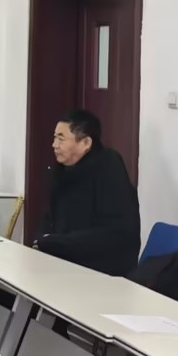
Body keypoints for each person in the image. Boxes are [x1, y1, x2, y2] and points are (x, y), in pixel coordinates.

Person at [34, 109, 140, 276]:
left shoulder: (108, 167)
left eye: (61, 139)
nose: (54, 145)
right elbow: (49, 219)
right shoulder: (62, 171)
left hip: (101, 270)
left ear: (85, 143)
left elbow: (115, 234)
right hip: (62, 263)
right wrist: (41, 240)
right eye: (54, 138)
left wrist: (54, 242)